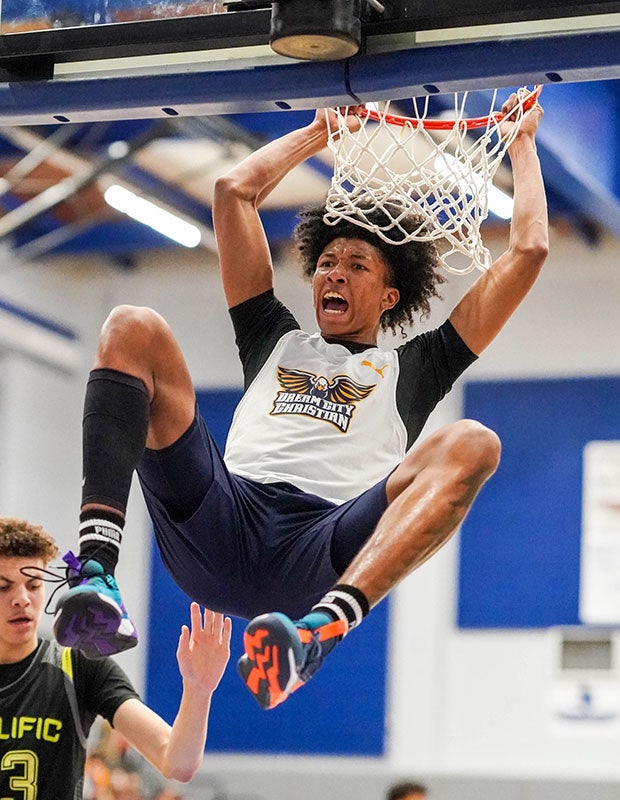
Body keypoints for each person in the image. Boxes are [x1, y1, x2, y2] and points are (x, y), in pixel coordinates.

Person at [52, 92, 547, 710]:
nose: (335, 273)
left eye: (357, 265)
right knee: (131, 326)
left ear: (391, 296)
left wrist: (522, 144)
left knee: (476, 442)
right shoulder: (272, 336)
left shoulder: (417, 367)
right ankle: (96, 571)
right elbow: (233, 192)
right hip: (222, 520)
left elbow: (528, 251)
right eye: (328, 262)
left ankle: (321, 632)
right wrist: (318, 133)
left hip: (320, 544)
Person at [0, 517, 231, 799]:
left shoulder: (78, 665)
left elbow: (177, 763)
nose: (22, 599)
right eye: (4, 587)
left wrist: (199, 690)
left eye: (34, 585)